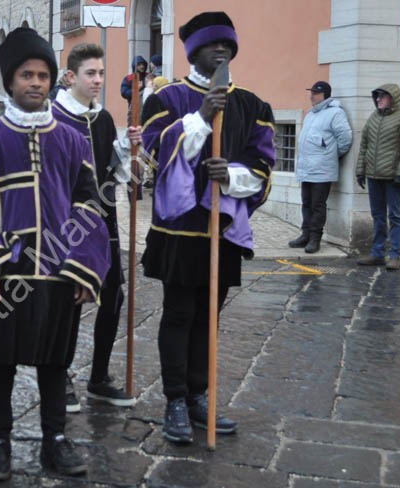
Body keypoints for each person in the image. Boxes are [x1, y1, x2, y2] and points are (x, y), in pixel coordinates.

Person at [0, 28, 110, 481]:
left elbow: (88, 204)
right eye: (25, 75)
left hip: (58, 269)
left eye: (42, 75)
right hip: (6, 271)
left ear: (52, 80)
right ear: (10, 82)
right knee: (1, 362)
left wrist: (83, 266)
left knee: (54, 362)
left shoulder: (75, 142)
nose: (35, 82)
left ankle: (54, 441)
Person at [141, 11, 276, 444]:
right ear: (193, 51)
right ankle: (175, 400)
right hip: (179, 231)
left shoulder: (253, 105)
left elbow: (263, 164)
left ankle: (200, 396)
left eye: (227, 45)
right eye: (211, 45)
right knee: (179, 313)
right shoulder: (165, 98)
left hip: (221, 230)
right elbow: (156, 152)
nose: (221, 51)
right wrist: (199, 118)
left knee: (209, 318)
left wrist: (231, 175)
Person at [52, 43, 141, 410]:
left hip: (104, 222)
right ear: (71, 76)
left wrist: (128, 153)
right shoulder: (54, 117)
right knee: (68, 302)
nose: (98, 80)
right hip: (67, 227)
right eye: (91, 73)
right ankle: (60, 375)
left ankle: (99, 377)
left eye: (102, 73)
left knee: (113, 298)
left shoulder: (102, 119)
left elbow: (111, 170)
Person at [355, 83, 400, 270]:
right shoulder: (373, 118)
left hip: (392, 178)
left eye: (382, 96)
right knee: (378, 216)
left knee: (396, 216)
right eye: (377, 96)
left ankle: (395, 256)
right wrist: (360, 171)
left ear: (392, 98)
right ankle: (377, 254)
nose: (378, 99)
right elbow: (364, 145)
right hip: (374, 177)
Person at [289, 81, 352, 253]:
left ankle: (315, 238)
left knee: (318, 205)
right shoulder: (311, 114)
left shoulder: (336, 113)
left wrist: (330, 156)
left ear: (325, 95)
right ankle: (305, 234)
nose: (312, 96)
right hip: (306, 168)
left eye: (316, 93)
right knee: (306, 203)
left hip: (323, 169)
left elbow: (345, 139)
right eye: (311, 92)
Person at [121, 56, 147, 123]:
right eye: (139, 65)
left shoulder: (149, 76)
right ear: (134, 66)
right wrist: (136, 89)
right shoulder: (129, 78)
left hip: (148, 107)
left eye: (143, 64)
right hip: (134, 108)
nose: (142, 66)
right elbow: (124, 93)